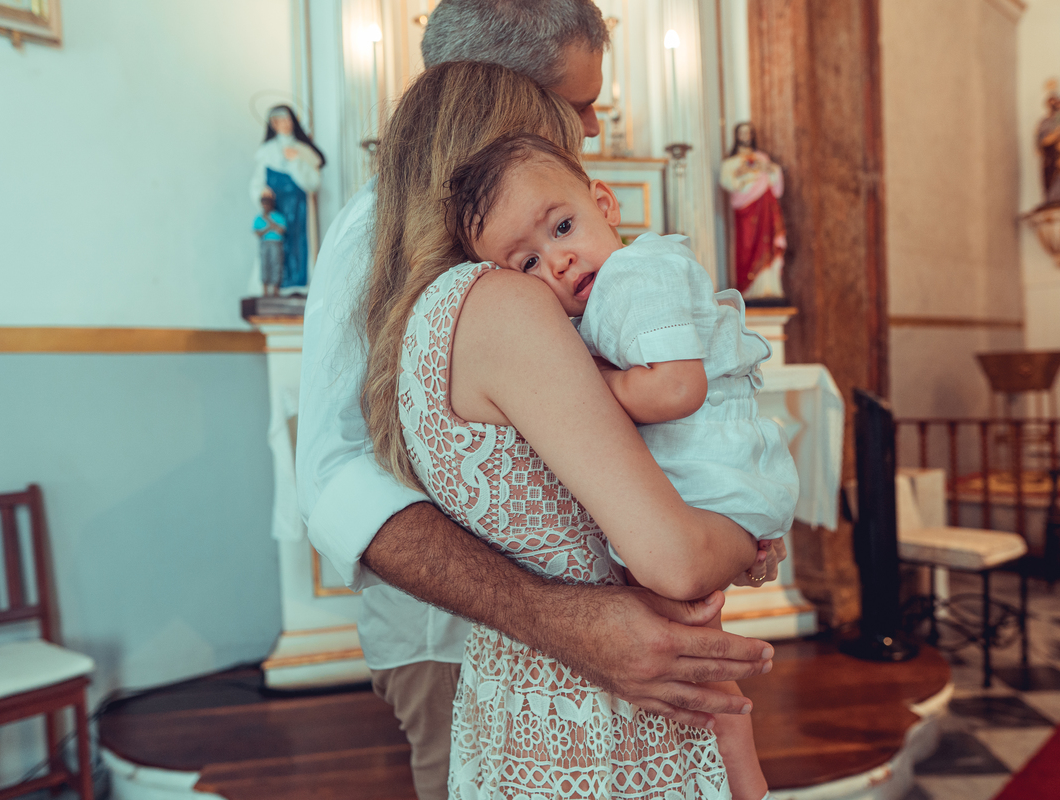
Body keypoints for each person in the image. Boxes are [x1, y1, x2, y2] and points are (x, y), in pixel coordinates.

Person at [296, 4, 784, 798]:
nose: (590, 125)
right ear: (504, 103)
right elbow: (333, 475)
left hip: (542, 655)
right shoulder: (480, 290)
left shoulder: (486, 285)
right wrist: (713, 542)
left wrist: (715, 513)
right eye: (575, 104)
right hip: (471, 641)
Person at [446, 131, 801, 799]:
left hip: (710, 467)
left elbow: (676, 388)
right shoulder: (590, 300)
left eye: (562, 227)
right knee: (687, 633)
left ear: (605, 205)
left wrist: (583, 385)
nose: (558, 260)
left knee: (683, 621)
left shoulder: (640, 274)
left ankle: (741, 764)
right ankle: (735, 759)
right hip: (698, 472)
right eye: (527, 262)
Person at [250, 105, 324, 290]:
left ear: (293, 121)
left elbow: (314, 183)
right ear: (272, 124)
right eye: (277, 120)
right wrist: (262, 193)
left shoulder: (303, 151)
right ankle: (273, 286)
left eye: (286, 119)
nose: (282, 124)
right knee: (274, 250)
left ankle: (298, 285)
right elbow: (257, 183)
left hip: (299, 210)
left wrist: (296, 162)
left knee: (299, 248)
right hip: (276, 209)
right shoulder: (266, 151)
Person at [719, 122, 787, 302]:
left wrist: (770, 169)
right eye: (742, 133)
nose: (745, 136)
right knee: (747, 244)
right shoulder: (731, 162)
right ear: (737, 136)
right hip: (746, 209)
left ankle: (768, 288)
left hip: (765, 206)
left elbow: (775, 179)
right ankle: (749, 289)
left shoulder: (762, 158)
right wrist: (742, 174)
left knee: (767, 242)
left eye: (748, 133)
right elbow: (727, 181)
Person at [253, 194, 286, 296]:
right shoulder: (259, 218)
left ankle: (275, 288)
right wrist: (269, 227)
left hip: (276, 242)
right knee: (265, 264)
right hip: (265, 243)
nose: (265, 206)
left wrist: (269, 221)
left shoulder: (278, 216)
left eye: (267, 203)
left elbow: (281, 230)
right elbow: (257, 233)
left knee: (276, 263)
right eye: (263, 204)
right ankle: (265, 289)